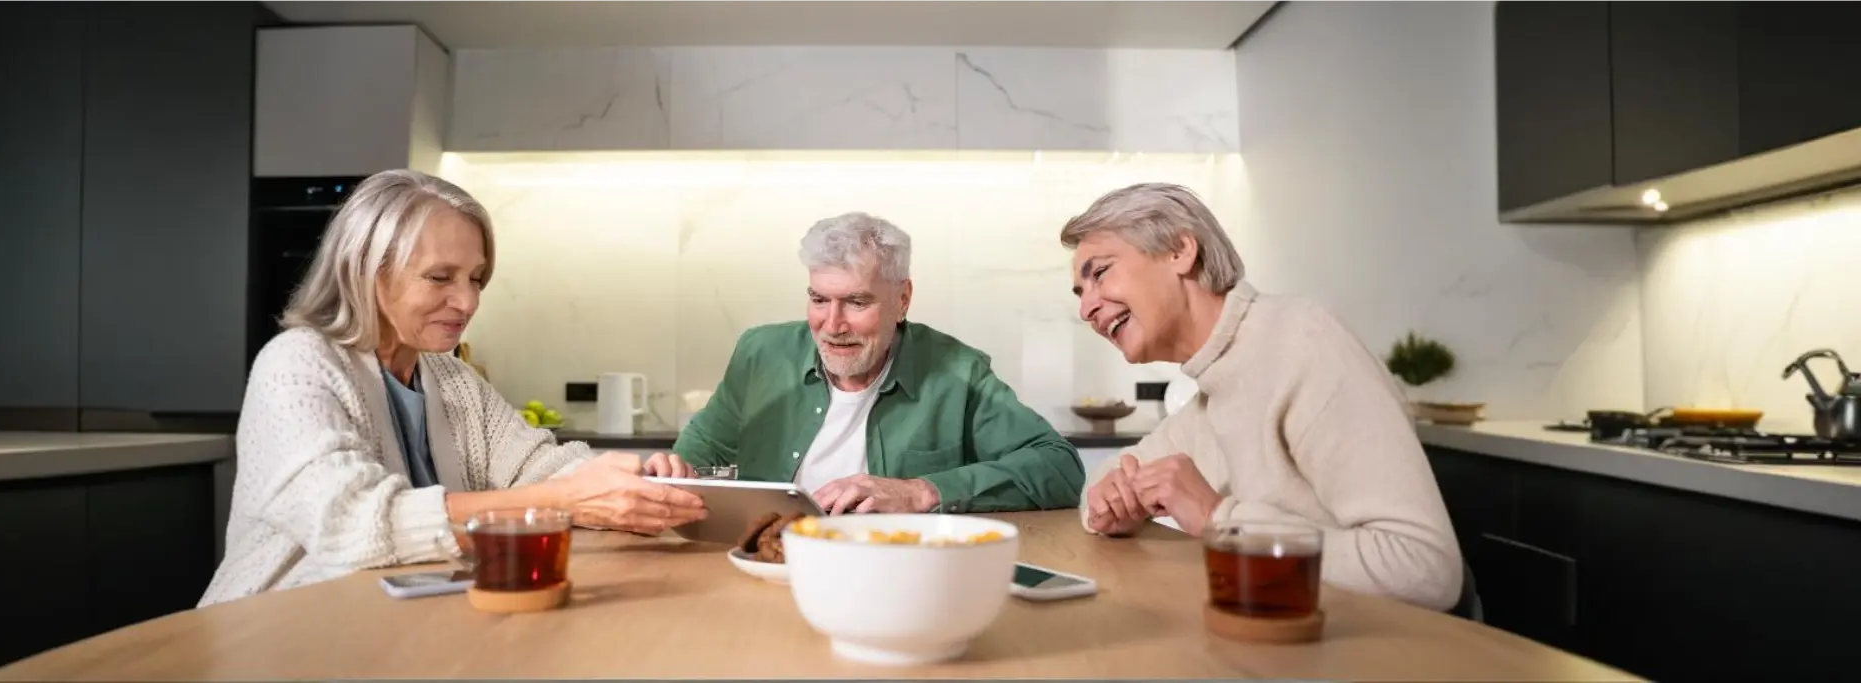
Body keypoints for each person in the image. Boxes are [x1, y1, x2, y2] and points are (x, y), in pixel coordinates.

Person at [201, 170, 706, 607]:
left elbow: (538, 468)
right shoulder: (296, 364)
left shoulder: (454, 380)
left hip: (400, 628)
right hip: (276, 631)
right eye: (440, 277)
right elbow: (349, 523)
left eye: (477, 279)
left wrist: (631, 481)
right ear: (368, 274)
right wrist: (570, 499)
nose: (466, 302)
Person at [1063, 183, 1465, 612]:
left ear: (1180, 251)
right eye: (1080, 294)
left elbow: (1426, 569)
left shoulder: (1303, 344)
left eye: (1100, 273)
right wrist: (1111, 502)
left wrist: (1221, 520)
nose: (1086, 310)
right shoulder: (1212, 389)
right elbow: (1106, 483)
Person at [674, 212, 1085, 515]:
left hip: (899, 571)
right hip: (766, 563)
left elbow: (1059, 466)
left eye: (856, 302)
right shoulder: (760, 353)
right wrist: (674, 473)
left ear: (902, 299)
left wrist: (922, 491)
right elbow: (699, 457)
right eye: (819, 299)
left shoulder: (958, 372)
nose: (832, 325)